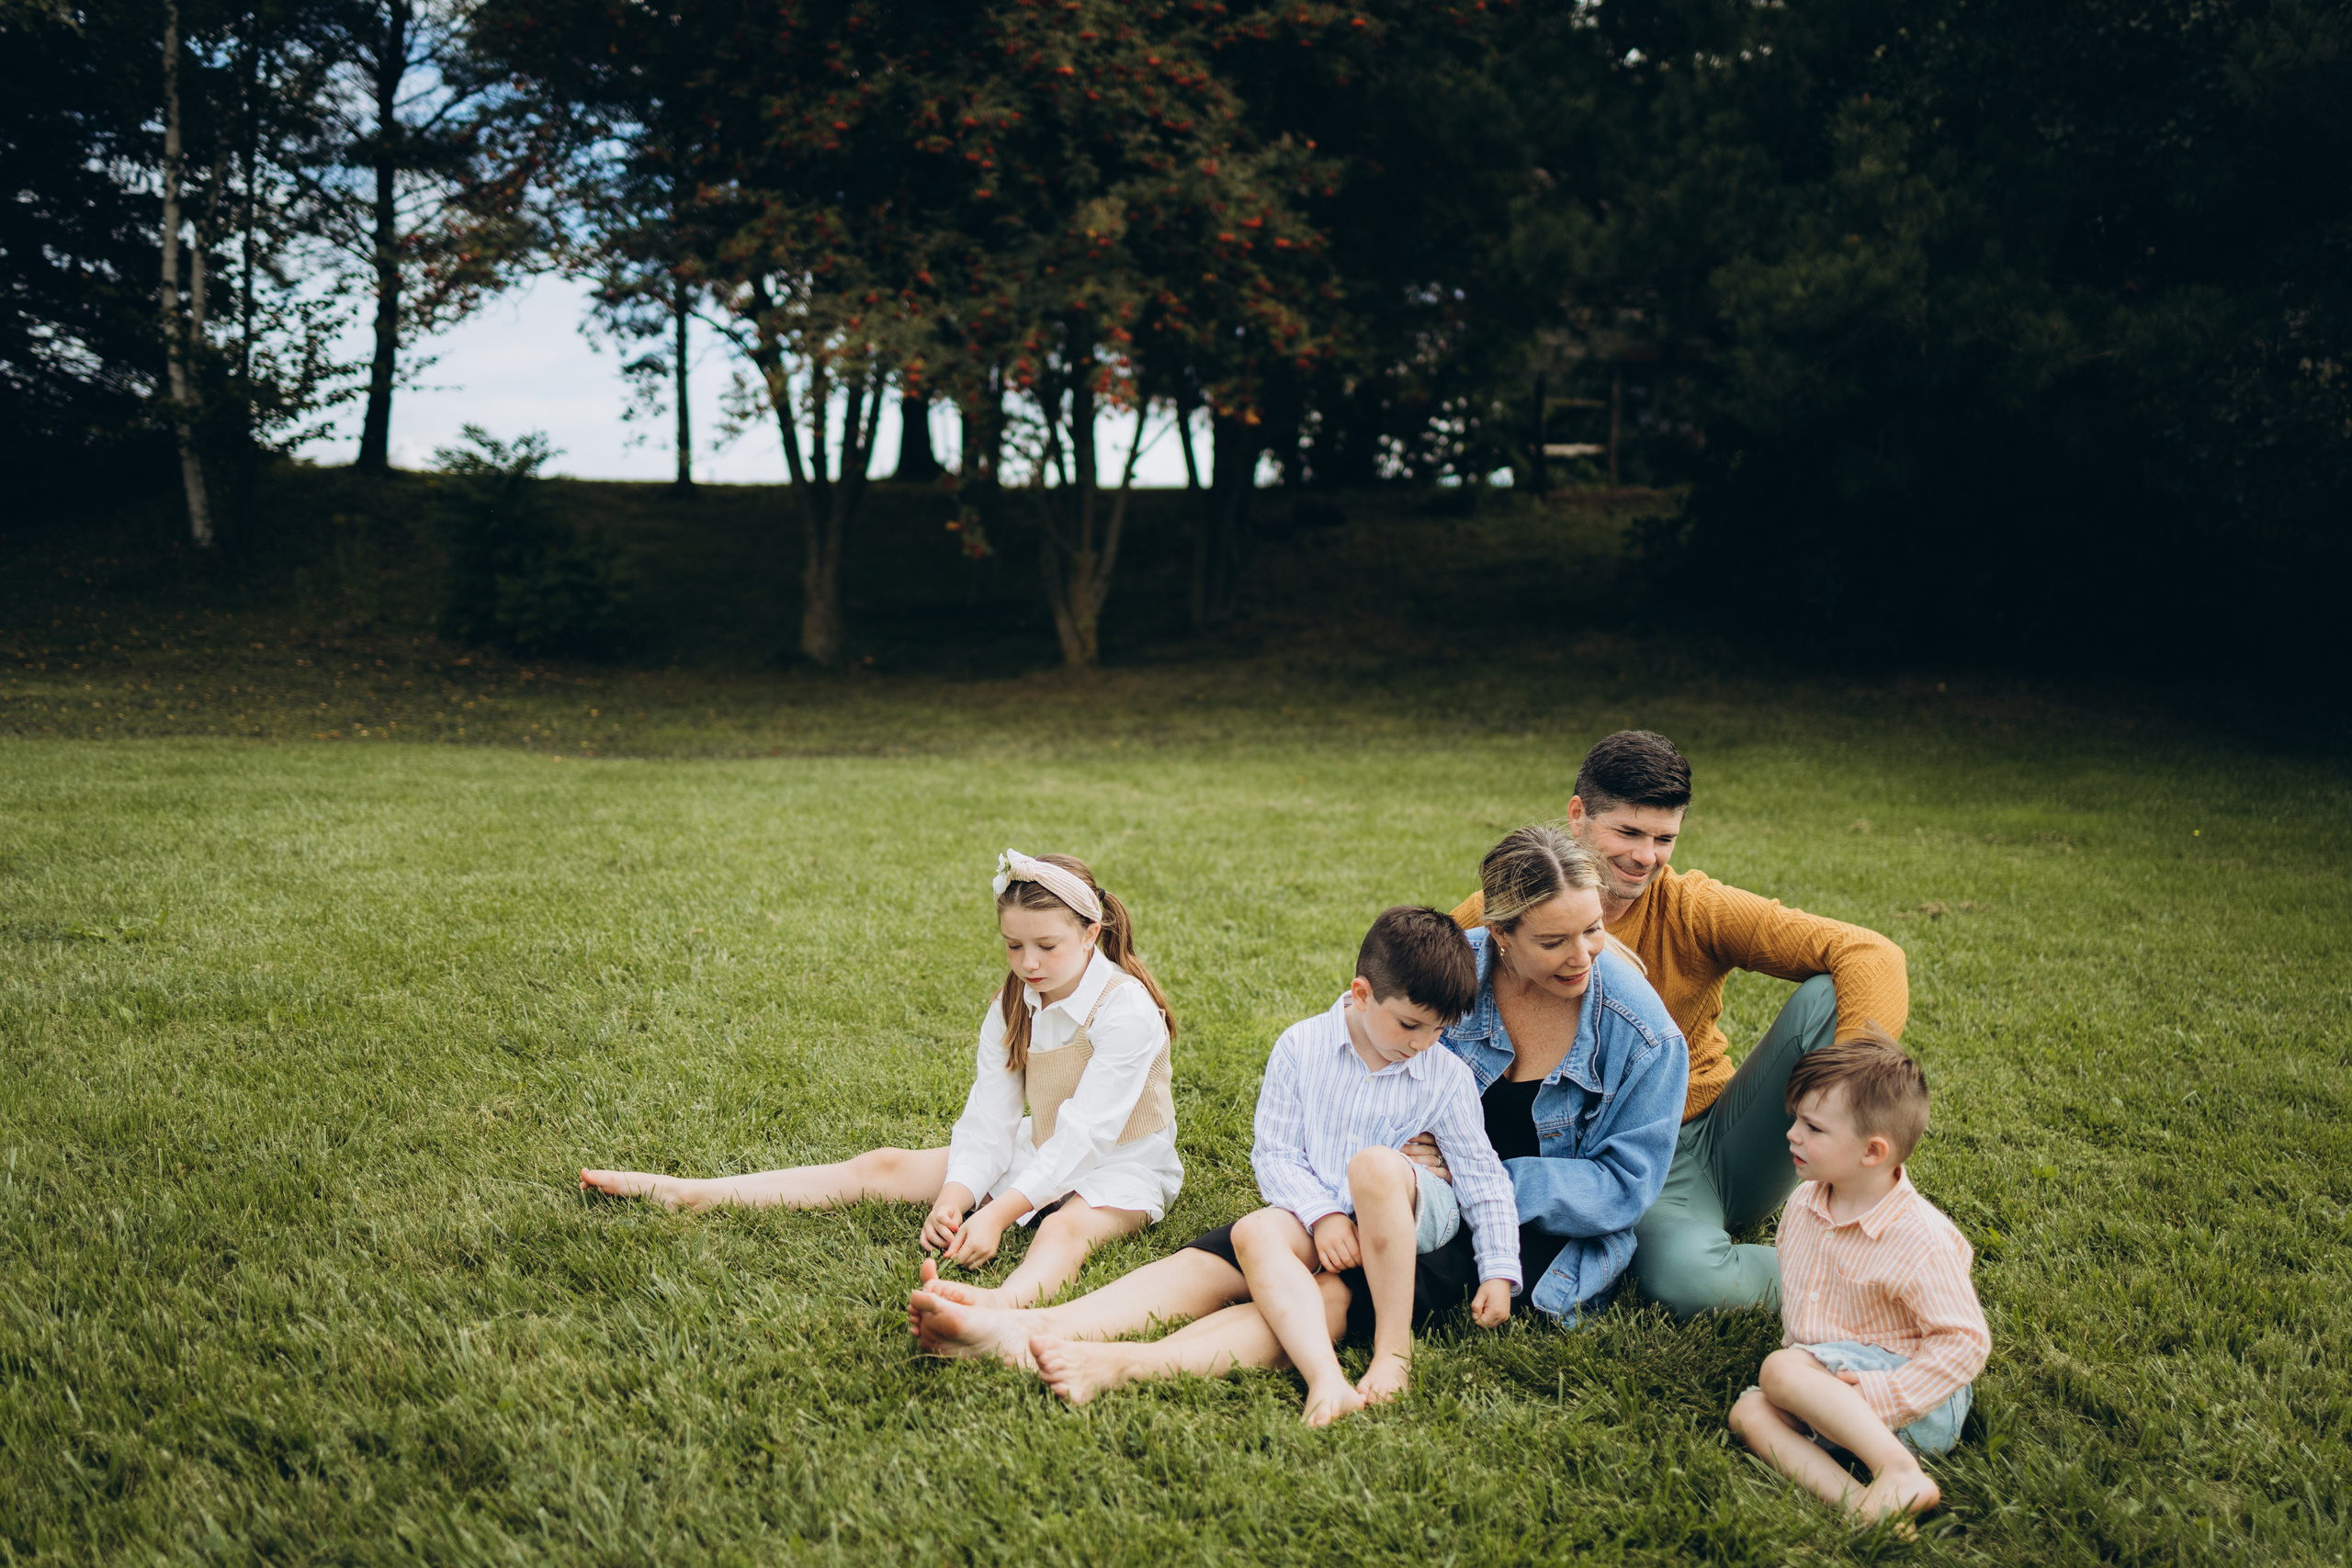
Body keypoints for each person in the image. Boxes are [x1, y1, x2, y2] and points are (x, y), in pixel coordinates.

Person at [906, 827, 1687, 1404]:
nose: (1586, 955)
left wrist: (1450, 1181)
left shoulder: (1642, 1032)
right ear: (1500, 934)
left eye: (1596, 929)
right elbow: (1352, 1038)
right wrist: (1326, 1199)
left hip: (1510, 1221)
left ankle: (1118, 1363)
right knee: (1228, 1256)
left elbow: (1624, 1187)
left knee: (1332, 1294)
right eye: (1555, 939)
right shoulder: (1455, 968)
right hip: (1365, 1183)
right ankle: (1029, 1326)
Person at [582, 850, 1181, 1308]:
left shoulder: (1125, 1010)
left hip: (1120, 1164)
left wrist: (997, 1215)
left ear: (1090, 930)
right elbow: (990, 1118)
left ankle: (999, 1309)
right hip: (1044, 1146)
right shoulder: (1015, 1002)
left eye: (1045, 945)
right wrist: (958, 1193)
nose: (1027, 963)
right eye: (1014, 944)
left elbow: (1087, 1135)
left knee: (1067, 1229)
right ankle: (690, 1192)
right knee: (884, 1164)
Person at [1442, 730, 1909, 1319]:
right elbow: (1399, 996)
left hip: (1724, 1133)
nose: (1647, 857)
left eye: (1665, 838)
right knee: (1687, 1281)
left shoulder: (1692, 906)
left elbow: (1872, 954)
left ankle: (1894, 1260)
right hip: (1639, 1162)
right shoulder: (1509, 911)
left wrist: (1850, 1097)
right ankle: (1851, 1279)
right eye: (1629, 832)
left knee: (1824, 994)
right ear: (1578, 816)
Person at [1224, 906, 1519, 1426]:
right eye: (1410, 1025)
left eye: (1438, 1030)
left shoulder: (1444, 1075)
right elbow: (1275, 1153)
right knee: (1253, 1231)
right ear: (1361, 994)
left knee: (1374, 1167)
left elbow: (1481, 1176)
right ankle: (1325, 1378)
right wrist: (1322, 1214)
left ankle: (1392, 1351)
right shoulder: (1300, 1047)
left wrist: (1498, 1269)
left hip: (1411, 1208)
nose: (1423, 1043)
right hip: (1326, 1210)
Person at [1727, 1030, 1987, 1524]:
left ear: (1873, 1152)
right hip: (1833, 1385)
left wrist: (1879, 1398)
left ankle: (1899, 1469)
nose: (1793, 1135)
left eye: (1814, 1127)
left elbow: (1966, 1342)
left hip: (1918, 1402)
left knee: (1780, 1370)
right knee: (1749, 1413)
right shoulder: (1805, 1203)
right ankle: (1862, 1503)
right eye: (1796, 1119)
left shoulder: (1919, 1237)